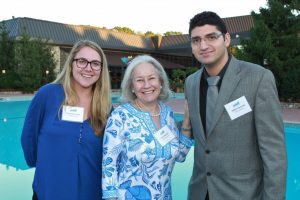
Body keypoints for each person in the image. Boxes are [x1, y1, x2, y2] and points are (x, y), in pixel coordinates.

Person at [185, 11, 287, 200]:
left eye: (211, 37)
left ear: (226, 39)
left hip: (242, 194)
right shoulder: (191, 83)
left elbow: (274, 153)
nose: (203, 45)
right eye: (196, 40)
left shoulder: (258, 78)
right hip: (200, 192)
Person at [21, 39, 112, 200]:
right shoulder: (47, 95)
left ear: (101, 69)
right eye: (82, 61)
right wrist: (47, 166)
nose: (88, 68)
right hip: (49, 192)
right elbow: (29, 139)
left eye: (95, 63)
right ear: (71, 64)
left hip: (92, 194)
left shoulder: (106, 108)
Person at [101, 55, 193, 200]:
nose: (146, 85)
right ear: (131, 86)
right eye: (139, 80)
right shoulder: (119, 117)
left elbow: (180, 156)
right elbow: (109, 165)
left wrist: (187, 122)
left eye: (151, 78)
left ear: (160, 81)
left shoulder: (167, 114)